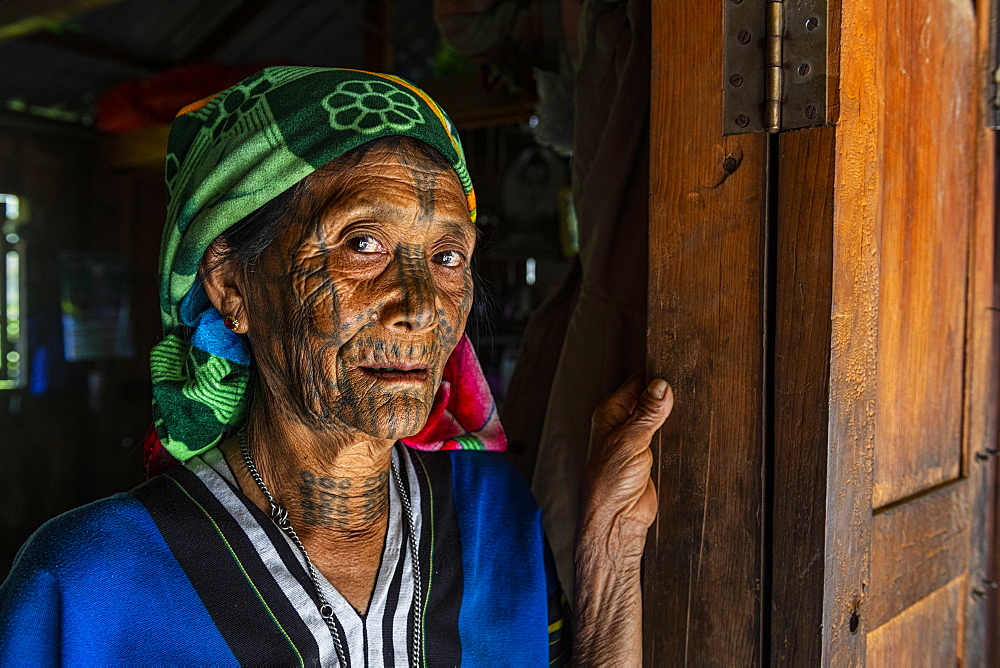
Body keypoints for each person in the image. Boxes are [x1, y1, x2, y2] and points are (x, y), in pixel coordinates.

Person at [0, 67, 672, 666]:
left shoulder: (495, 516)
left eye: (447, 257)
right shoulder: (83, 583)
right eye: (363, 243)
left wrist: (612, 561)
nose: (420, 307)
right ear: (232, 286)